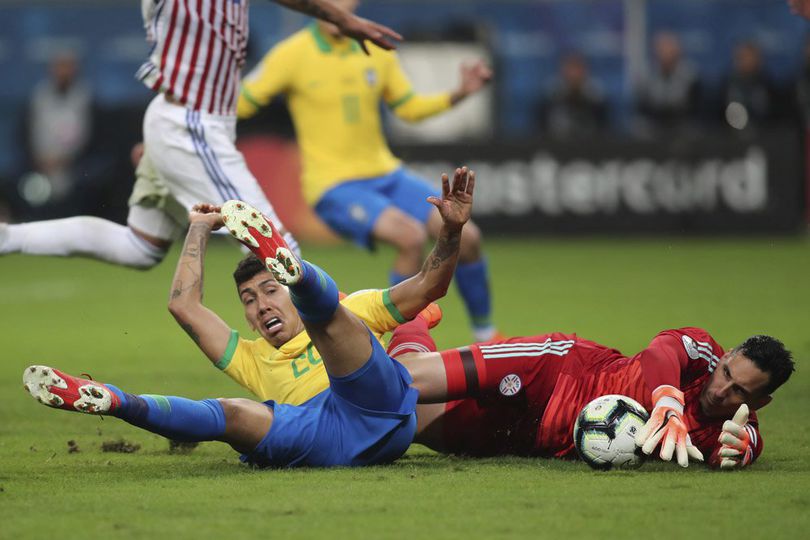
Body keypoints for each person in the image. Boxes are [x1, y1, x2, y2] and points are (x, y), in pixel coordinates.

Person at [23, 166, 475, 469]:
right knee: (232, 414)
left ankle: (296, 274)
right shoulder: (253, 357)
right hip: (322, 439)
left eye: (269, 290)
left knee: (334, 318)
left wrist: (451, 230)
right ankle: (117, 401)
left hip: (375, 407)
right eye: (249, 300)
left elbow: (429, 285)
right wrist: (198, 230)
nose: (260, 306)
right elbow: (185, 307)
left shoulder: (357, 308)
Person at [0, 0, 401, 269]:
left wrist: (337, 16)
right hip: (190, 122)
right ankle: (336, 377)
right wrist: (341, 17)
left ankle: (7, 237)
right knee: (278, 250)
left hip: (182, 122)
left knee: (141, 247)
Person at [237, 0, 499, 342]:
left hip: (386, 174)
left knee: (469, 237)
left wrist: (458, 94)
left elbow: (407, 107)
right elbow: (242, 102)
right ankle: (403, 344)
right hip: (332, 185)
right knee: (410, 237)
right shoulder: (291, 54)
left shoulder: (374, 47)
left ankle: (486, 335)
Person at [635, 31, 701, 136]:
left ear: (678, 51)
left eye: (669, 49)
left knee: (692, 130)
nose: (665, 53)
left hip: (681, 122)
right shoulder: (646, 76)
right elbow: (642, 107)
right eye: (662, 49)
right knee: (640, 128)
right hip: (654, 122)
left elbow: (695, 106)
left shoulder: (690, 76)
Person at [537, 51, 608, 138]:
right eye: (570, 69)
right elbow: (541, 130)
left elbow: (603, 130)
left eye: (577, 69)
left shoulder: (597, 100)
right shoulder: (549, 99)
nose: (574, 74)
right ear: (562, 71)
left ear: (586, 71)